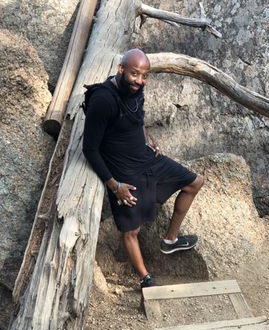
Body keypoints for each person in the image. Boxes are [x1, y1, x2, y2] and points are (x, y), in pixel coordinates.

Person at [82, 48, 204, 288]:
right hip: (123, 171)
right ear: (121, 70)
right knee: (131, 230)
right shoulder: (103, 100)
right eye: (134, 74)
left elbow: (138, 116)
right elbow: (90, 149)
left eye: (144, 75)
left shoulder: (136, 89)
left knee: (195, 182)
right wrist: (115, 186)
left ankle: (170, 240)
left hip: (146, 159)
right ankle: (145, 279)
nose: (140, 80)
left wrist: (146, 137)